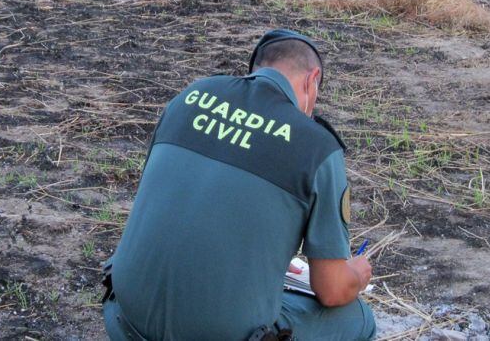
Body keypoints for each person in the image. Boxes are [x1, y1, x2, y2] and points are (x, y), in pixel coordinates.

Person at [102, 29, 375, 341]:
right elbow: (332, 290)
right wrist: (356, 272)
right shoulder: (317, 145)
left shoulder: (190, 96)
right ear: (312, 80)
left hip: (124, 320)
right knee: (358, 320)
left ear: (256, 69)